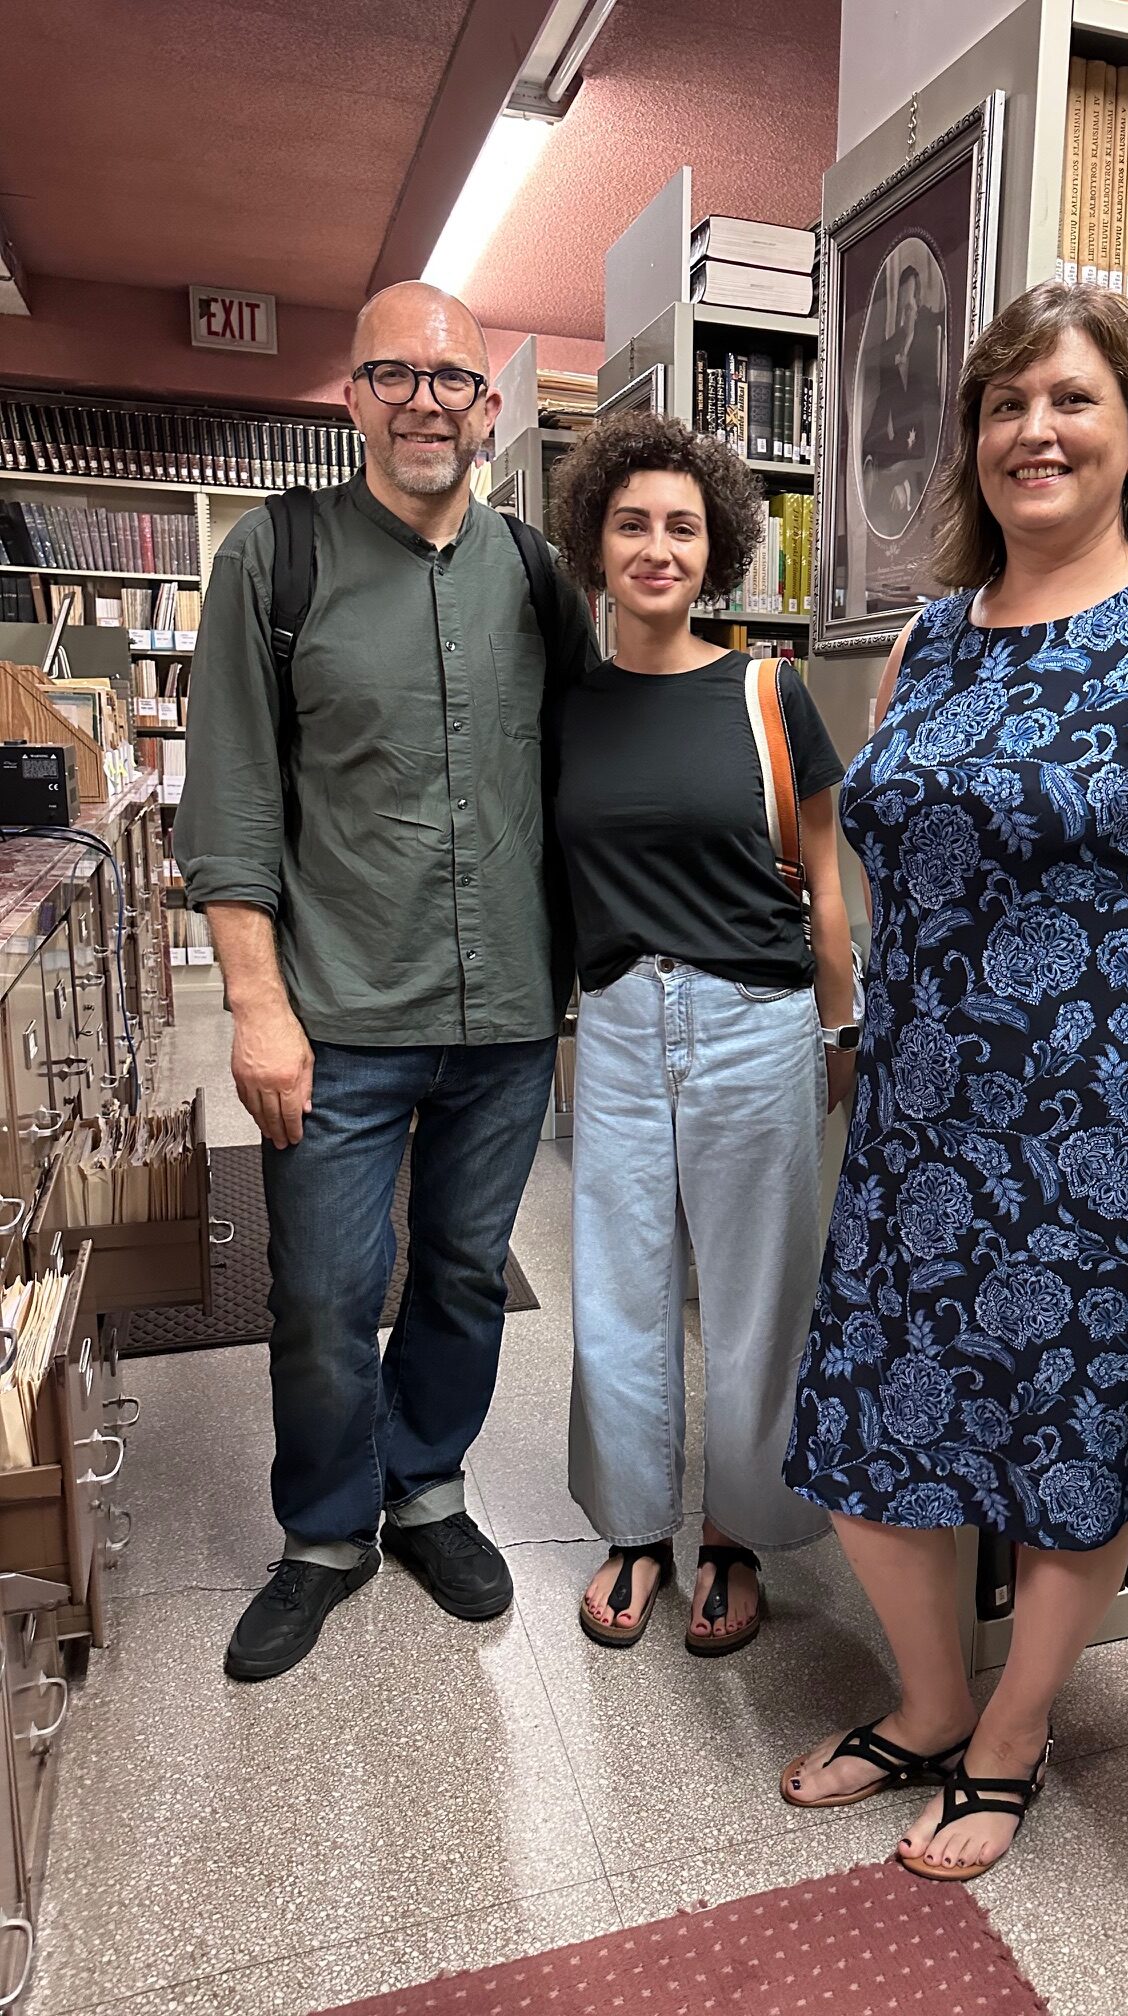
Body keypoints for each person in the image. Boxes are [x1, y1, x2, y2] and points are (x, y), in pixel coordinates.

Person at [781, 281, 1128, 1878]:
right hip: (920, 1121)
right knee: (873, 1433)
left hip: (1110, 1130)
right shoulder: (930, 641)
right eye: (1006, 404)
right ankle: (932, 1700)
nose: (1035, 430)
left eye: (1073, 400)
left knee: (1071, 1448)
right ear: (974, 440)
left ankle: (1013, 1735)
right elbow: (888, 860)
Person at [176, 281, 598, 1682]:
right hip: (337, 1017)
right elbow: (230, 801)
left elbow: (595, 773)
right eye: (393, 374)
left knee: (469, 1274)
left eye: (454, 378)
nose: (427, 399)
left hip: (507, 1019)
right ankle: (322, 1534)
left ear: (491, 408)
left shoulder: (537, 576)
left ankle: (426, 1490)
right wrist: (254, 1006)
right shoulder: (275, 560)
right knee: (322, 1287)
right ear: (350, 397)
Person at [550, 412, 856, 1656]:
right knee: (617, 1293)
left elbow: (828, 885)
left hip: (756, 1024)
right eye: (632, 523)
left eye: (682, 525)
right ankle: (633, 1528)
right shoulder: (566, 706)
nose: (657, 547)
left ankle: (735, 1532)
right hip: (617, 1024)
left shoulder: (766, 692)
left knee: (754, 1298)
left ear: (718, 543)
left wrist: (842, 1034)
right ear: (597, 542)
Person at [861, 262, 944, 533]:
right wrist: (867, 457)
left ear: (918, 306)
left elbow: (937, 429)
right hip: (898, 457)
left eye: (909, 309)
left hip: (928, 461)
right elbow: (881, 410)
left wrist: (908, 483)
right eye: (900, 311)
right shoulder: (889, 352)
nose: (904, 318)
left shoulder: (930, 339)